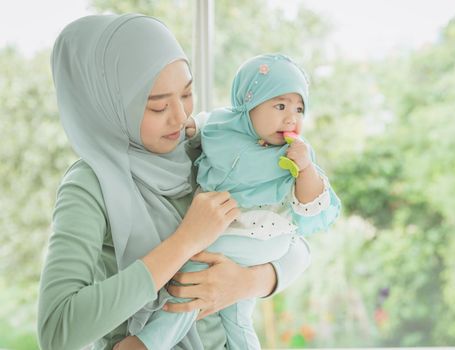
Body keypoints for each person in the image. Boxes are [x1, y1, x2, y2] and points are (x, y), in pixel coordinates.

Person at [37, 14, 313, 350]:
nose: (181, 117)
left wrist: (245, 282)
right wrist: (185, 241)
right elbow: (57, 331)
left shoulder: (205, 149)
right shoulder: (90, 184)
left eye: (187, 94)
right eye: (156, 107)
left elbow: (294, 241)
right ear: (110, 105)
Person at [120, 54, 341, 349]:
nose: (292, 117)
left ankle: (149, 342)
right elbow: (201, 124)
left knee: (196, 269)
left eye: (299, 108)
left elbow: (312, 203)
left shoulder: (293, 153)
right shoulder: (222, 125)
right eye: (280, 105)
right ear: (249, 103)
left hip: (263, 236)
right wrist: (190, 129)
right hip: (227, 228)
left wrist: (305, 169)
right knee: (237, 315)